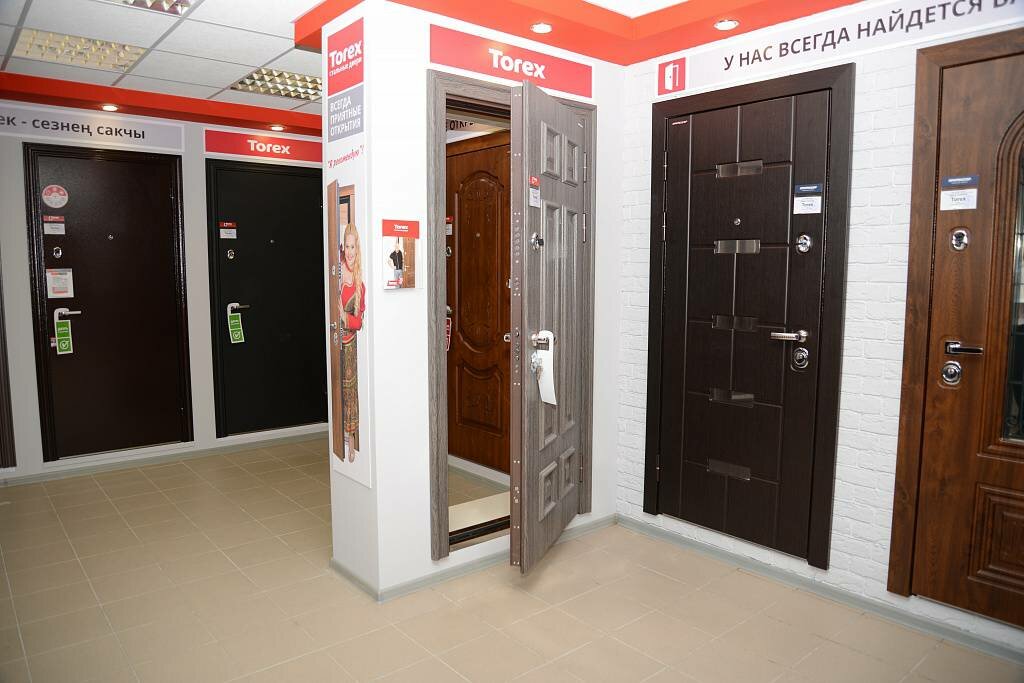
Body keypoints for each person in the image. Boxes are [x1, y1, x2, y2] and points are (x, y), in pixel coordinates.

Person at [340, 222, 365, 462]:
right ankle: (338, 434)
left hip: (349, 343)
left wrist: (343, 316)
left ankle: (350, 438)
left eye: (353, 247)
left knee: (350, 391)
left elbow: (359, 322)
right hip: (335, 340)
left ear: (358, 249)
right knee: (336, 387)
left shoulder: (359, 283)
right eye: (347, 247)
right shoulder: (337, 272)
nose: (349, 252)